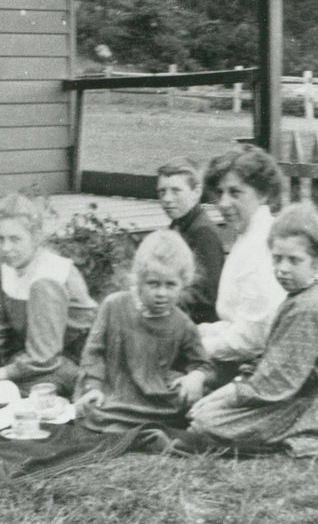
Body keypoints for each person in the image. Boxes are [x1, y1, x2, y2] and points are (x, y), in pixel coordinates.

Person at [188, 203, 318, 450]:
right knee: (207, 409)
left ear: (317, 262)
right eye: (277, 258)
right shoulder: (298, 297)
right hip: (297, 395)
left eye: (294, 260)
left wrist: (227, 396)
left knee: (206, 422)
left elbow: (278, 380)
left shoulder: (309, 307)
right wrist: (227, 393)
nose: (283, 269)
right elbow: (273, 365)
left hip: (316, 405)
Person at [0, 194, 96, 397]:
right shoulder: (11, 267)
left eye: (15, 239)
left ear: (36, 237)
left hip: (69, 364)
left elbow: (44, 359)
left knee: (1, 392)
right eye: (0, 239)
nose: (6, 248)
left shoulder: (48, 277)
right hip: (30, 356)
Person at [75, 230, 211, 433]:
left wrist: (196, 377)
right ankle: (131, 425)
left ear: (183, 284)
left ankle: (135, 427)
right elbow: (93, 353)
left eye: (170, 285)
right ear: (139, 280)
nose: (161, 293)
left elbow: (203, 364)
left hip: (156, 398)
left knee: (193, 404)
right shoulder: (114, 306)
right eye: (153, 284)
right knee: (94, 409)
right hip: (114, 391)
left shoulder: (183, 324)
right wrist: (92, 387)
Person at [198, 145, 287, 387]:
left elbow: (253, 338)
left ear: (263, 194)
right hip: (245, 355)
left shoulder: (261, 246)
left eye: (235, 193)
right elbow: (240, 319)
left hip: (261, 370)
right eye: (220, 193)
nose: (223, 203)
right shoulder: (248, 235)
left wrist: (197, 345)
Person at [156, 158, 225, 324]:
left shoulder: (202, 233)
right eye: (162, 192)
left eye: (176, 191)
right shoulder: (177, 226)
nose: (167, 199)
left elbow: (207, 296)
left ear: (196, 192)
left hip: (199, 326)